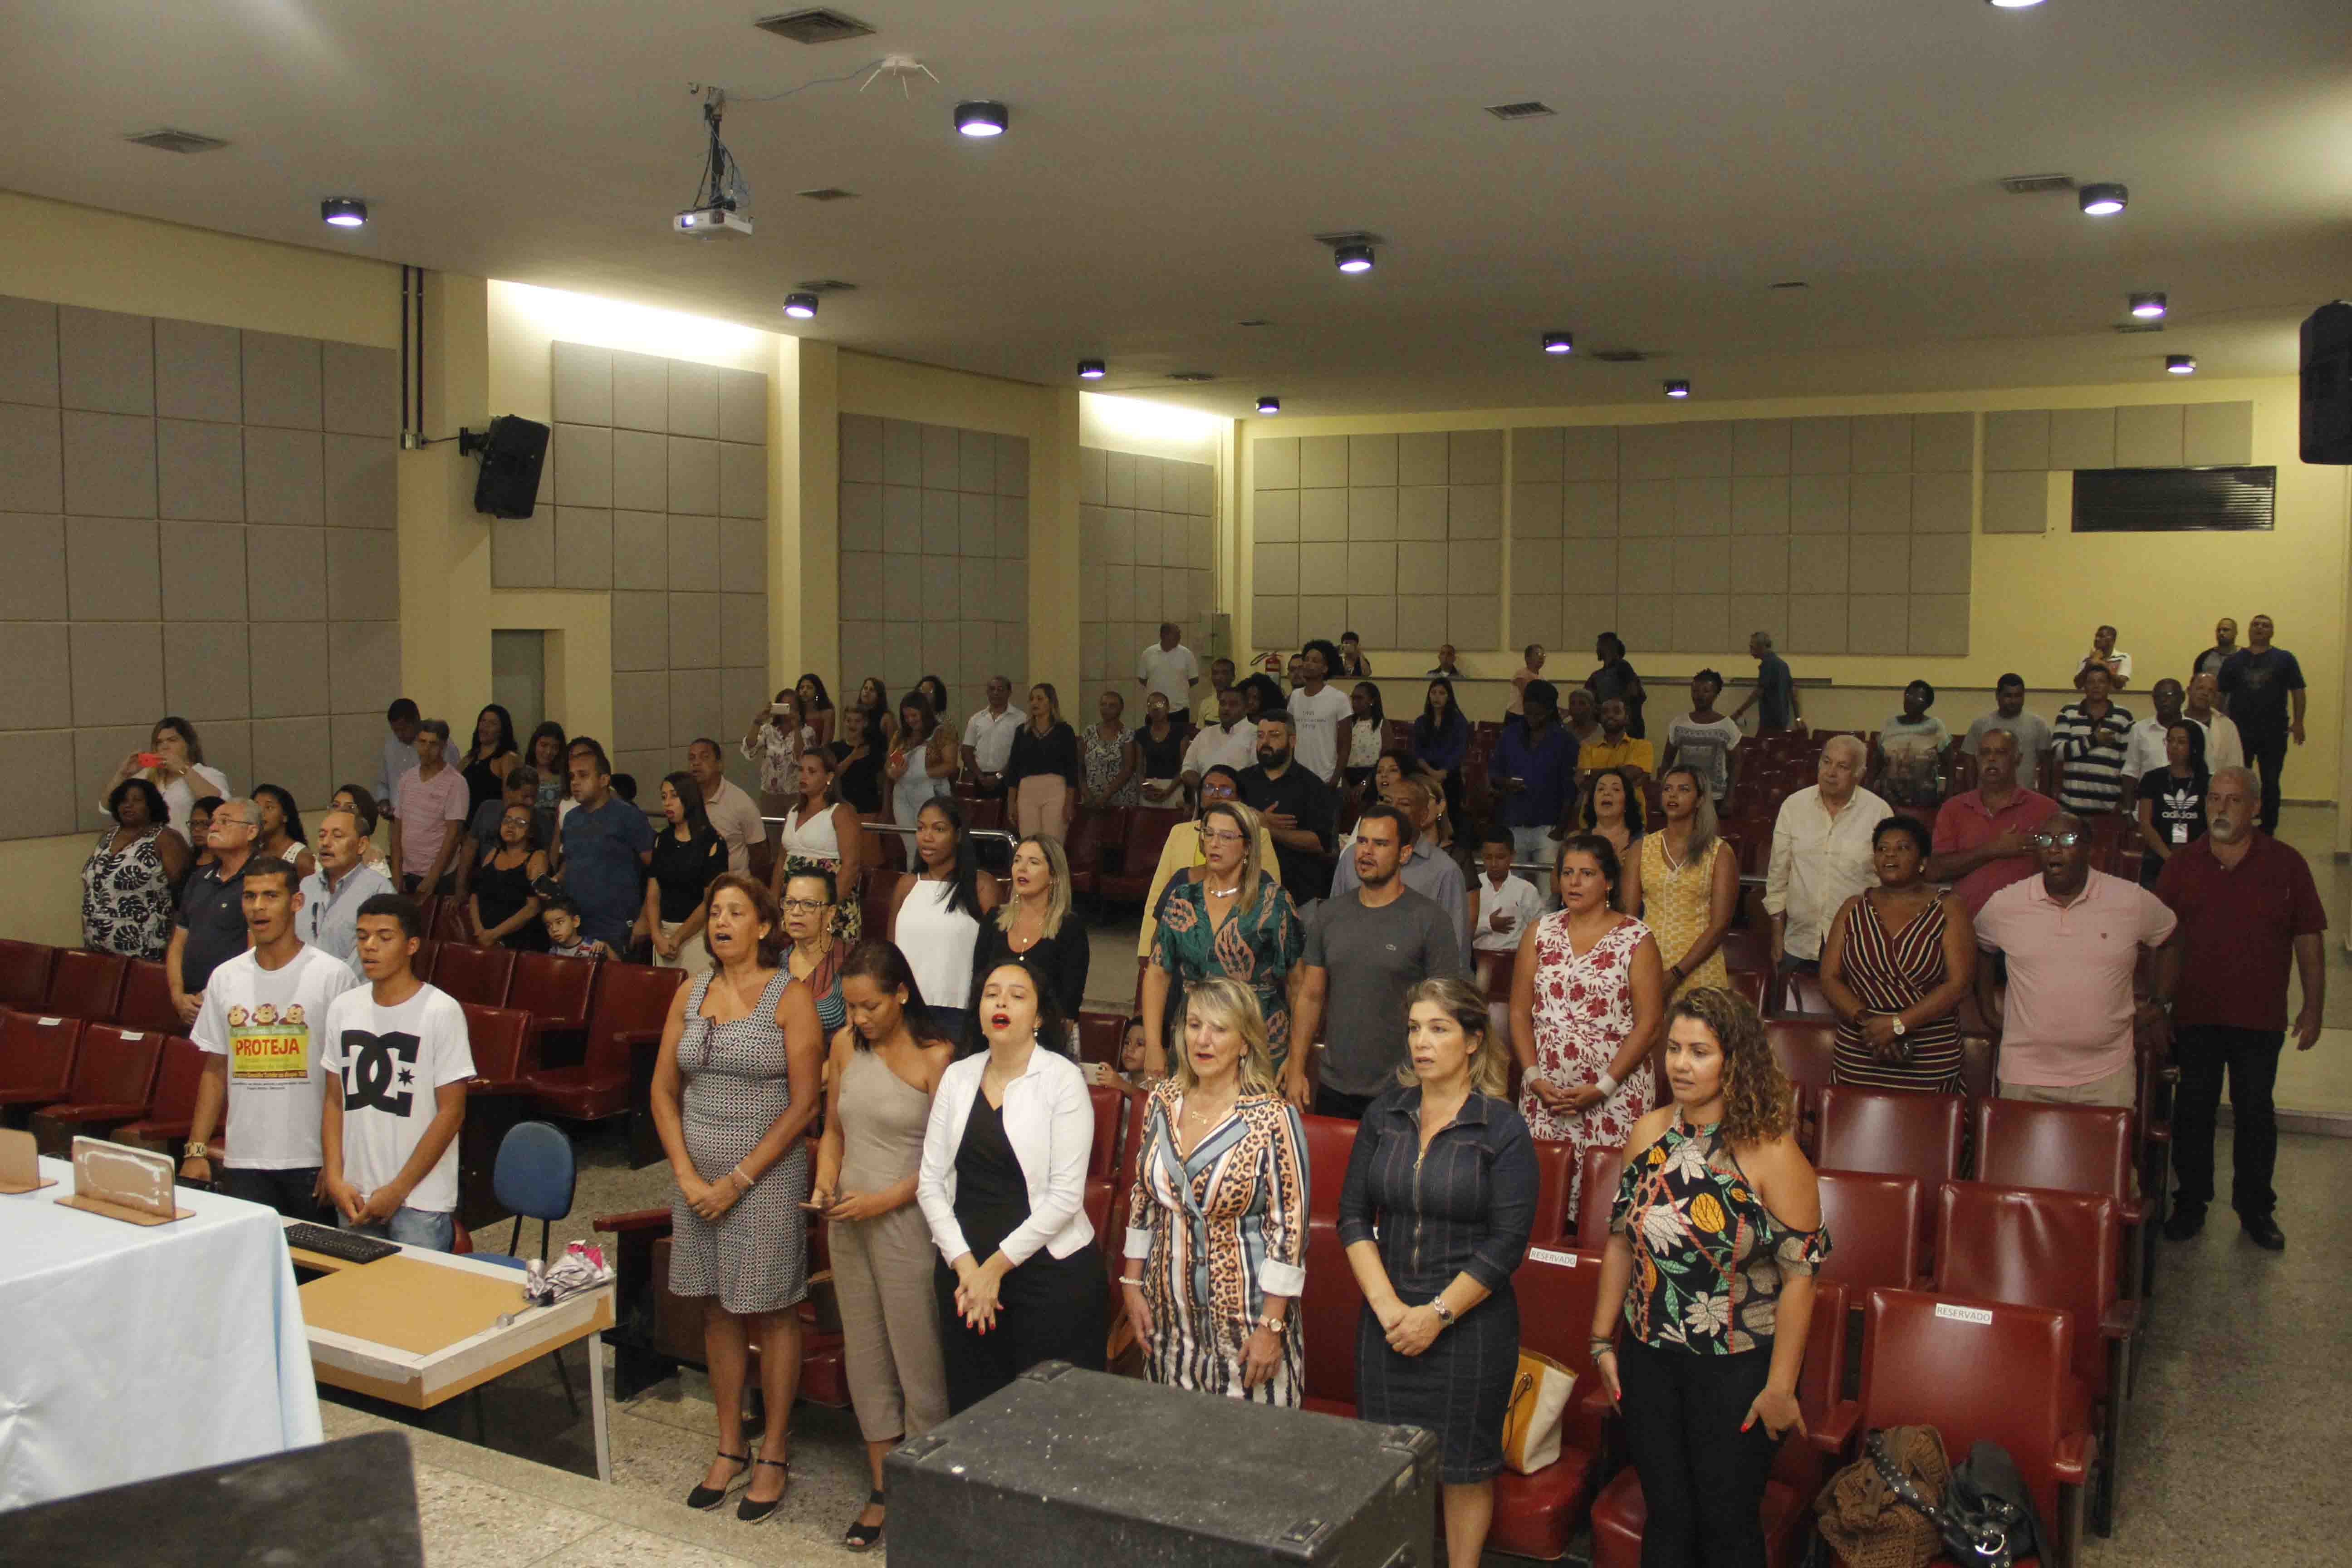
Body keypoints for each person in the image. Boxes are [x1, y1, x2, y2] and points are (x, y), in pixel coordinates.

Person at [1592, 987, 1827, 1568]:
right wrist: (1601, 1341)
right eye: (1674, 1049)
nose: (1681, 1064)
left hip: (1738, 1370)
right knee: (1666, 1520)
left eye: (1700, 1051)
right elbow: (1622, 1238)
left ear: (1735, 1061)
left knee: (1726, 1529)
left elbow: (1803, 1279)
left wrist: (1780, 1388)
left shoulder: (1773, 1153)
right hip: (1649, 1360)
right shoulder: (1647, 1133)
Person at [1338, 976, 1535, 1568]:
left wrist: (1437, 1314)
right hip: (1388, 1321)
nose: (1421, 1042)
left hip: (1471, 1328)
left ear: (1474, 1040)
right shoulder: (1385, 1114)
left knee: (1465, 1471)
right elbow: (1351, 1218)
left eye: (1439, 1028)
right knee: (1389, 1465)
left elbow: (1507, 1247)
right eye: (1415, 1028)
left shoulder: (1502, 1128)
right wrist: (1390, 1309)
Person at [650, 872, 826, 1522]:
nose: (722, 922)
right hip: (697, 1185)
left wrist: (738, 1181)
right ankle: (730, 1446)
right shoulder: (688, 993)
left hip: (764, 1181)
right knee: (717, 1310)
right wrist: (689, 1177)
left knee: (773, 1310)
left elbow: (805, 1103)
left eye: (736, 912)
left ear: (762, 924)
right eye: (715, 911)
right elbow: (663, 1092)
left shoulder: (792, 996)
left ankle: (774, 1449)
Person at [810, 940, 955, 1551]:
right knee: (867, 1357)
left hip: (907, 1225)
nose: (859, 1020)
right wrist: (824, 1185)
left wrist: (879, 1201)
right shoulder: (845, 1047)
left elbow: (941, 1165)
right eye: (851, 1008)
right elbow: (833, 1133)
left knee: (917, 1360)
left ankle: (926, 1491)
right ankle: (880, 1490)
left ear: (901, 994)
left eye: (870, 1007)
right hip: (848, 1222)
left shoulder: (937, 1057)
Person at [917, 962, 1107, 1413]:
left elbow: (1065, 1197)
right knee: (974, 1415)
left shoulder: (1062, 1079)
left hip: (1049, 1278)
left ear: (1040, 1017)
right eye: (991, 994)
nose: (1001, 1002)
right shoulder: (957, 1077)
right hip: (966, 1278)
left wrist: (993, 1271)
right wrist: (967, 1269)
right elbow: (930, 1183)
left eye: (1017, 996)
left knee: (1046, 1422)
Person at [2156, 768, 2326, 1251]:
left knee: (2255, 1114)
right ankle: (2190, 1203)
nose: (2221, 809)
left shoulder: (2287, 864)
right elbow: (2157, 941)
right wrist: (2157, 1006)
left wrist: (2314, 1008)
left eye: (2233, 801)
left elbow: (2308, 940)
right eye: (2214, 799)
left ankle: (2255, 1210)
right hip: (2194, 1015)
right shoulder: (2181, 865)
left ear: (2256, 807)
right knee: (2193, 1112)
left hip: (2259, 1017)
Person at [1124, 976, 1308, 1405]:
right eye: (1193, 1025)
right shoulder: (1162, 1101)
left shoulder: (1272, 1118)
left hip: (1247, 1330)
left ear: (1245, 1043)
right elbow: (1142, 1199)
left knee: (1250, 1463)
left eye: (1219, 1029)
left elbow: (1290, 1232)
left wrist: (1272, 1327)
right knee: (1172, 1455)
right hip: (1168, 1326)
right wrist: (1131, 1284)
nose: (1202, 1040)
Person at [174, 855, 363, 1213]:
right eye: (250, 897)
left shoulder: (332, 977)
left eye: (271, 896)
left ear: (296, 903)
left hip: (311, 1160)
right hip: (245, 1159)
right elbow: (215, 1069)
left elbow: (348, 1078)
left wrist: (337, 1161)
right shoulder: (226, 978)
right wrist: (196, 1149)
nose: (258, 908)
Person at [1973, 813, 2177, 1107]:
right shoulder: (2006, 904)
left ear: (2089, 848)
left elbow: (2170, 938)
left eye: (2066, 840)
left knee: (2106, 1155)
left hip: (2107, 1076)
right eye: (2045, 840)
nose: (2054, 849)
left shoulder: (2129, 899)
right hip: (2025, 1075)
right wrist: (1988, 1011)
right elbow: (1981, 947)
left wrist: (2160, 1004)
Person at [1512, 834, 1664, 1208]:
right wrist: (1534, 1079)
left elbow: (1650, 1025)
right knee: (1542, 1204)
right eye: (1567, 873)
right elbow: (1518, 1012)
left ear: (1609, 881)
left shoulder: (1637, 939)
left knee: (1606, 1208)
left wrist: (1603, 1086)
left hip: (1614, 1098)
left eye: (1586, 874)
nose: (1574, 882)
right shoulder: (1539, 932)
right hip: (1545, 1096)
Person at [1288, 806, 1465, 1118]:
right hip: (1335, 1085)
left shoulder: (1430, 920)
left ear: (1405, 854)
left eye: (1381, 844)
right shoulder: (1329, 914)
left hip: (1406, 1087)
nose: (1367, 852)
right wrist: (1296, 1067)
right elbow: (1310, 996)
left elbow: (1447, 1011)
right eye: (1363, 842)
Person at [320, 895, 472, 1251]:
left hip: (419, 1200)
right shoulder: (343, 1008)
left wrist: (399, 1189)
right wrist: (335, 1177)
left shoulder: (441, 1011)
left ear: (412, 945)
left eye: (384, 937)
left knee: (417, 1304)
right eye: (362, 937)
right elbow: (332, 1100)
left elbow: (452, 1113)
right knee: (361, 1301)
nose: (369, 947)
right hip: (355, 1194)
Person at [1145, 800, 1305, 1080]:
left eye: (1226, 836)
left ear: (1247, 847)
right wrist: (1153, 1046)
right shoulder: (1182, 899)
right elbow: (1157, 974)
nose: (1214, 843)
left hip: (1258, 1043)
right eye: (1209, 834)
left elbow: (1299, 986)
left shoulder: (1274, 903)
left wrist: (1297, 1057)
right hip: (1195, 1039)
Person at [1818, 818, 1977, 1091]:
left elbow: (1958, 985)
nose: (1889, 855)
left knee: (1929, 1133)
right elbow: (1829, 977)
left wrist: (1898, 1025)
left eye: (1902, 848)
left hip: (1929, 1060)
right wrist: (1870, 1025)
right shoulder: (1852, 908)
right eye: (1882, 849)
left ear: (1923, 861)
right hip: (1861, 1052)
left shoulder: (1949, 907)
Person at [1764, 736, 1891, 974]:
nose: (1831, 773)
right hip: (1799, 943)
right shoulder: (1794, 806)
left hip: (1858, 946)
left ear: (1860, 773)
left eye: (1842, 767)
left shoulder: (1879, 813)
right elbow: (1778, 877)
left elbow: (1886, 884)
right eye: (1826, 762)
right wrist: (1777, 936)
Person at [1137, 765, 1285, 958]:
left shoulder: (1258, 836)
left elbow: (1271, 902)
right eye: (1209, 788)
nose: (1216, 794)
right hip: (1182, 946)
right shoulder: (1179, 832)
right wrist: (1145, 950)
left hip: (1240, 947)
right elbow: (1158, 892)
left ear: (1239, 799)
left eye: (1225, 790)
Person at [1621, 764, 1738, 1004]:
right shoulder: (1641, 849)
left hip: (1700, 966)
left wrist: (1677, 973)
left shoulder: (1720, 852)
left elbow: (1719, 925)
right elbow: (1629, 919)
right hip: (1649, 962)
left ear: (1699, 800)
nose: (1673, 796)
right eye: (1667, 789)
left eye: (1683, 790)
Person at [889, 797, 998, 1041]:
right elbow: (891, 955)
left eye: (939, 829)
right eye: (921, 828)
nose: (926, 837)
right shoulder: (906, 885)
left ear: (958, 835)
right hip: (905, 1010)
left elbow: (994, 957)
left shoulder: (982, 886)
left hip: (960, 1012)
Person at [1926, 727, 2056, 917]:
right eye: (1985, 753)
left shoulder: (2046, 809)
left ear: (2018, 759)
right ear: (1977, 760)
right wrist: (1994, 849)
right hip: (1966, 922)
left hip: (2028, 921)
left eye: (2001, 753)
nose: (1992, 759)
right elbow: (1935, 871)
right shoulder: (1953, 809)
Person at [1334, 774, 1469, 954]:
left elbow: (1456, 946)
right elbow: (1333, 927)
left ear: (1423, 816)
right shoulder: (1354, 856)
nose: (1393, 810)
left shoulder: (1445, 871)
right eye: (1388, 802)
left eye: (1404, 804)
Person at [970, 836, 1090, 1029]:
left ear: (1054, 876)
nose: (1022, 868)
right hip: (994, 1032)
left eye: (1033, 863)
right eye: (1017, 860)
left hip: (1047, 1039)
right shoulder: (994, 920)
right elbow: (978, 987)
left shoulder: (1069, 928)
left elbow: (1069, 1004)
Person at [168, 795, 262, 1025]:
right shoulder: (199, 878)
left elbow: (256, 952)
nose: (214, 827)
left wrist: (205, 998)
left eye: (225, 821)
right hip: (189, 1005)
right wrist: (178, 996)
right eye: (213, 821)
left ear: (251, 832)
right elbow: (178, 944)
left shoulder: (262, 878)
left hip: (237, 1005)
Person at [561, 739, 655, 951]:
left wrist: (645, 919)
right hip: (577, 928)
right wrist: (556, 882)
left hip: (618, 928)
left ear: (604, 780)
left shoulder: (628, 815)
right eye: (572, 777)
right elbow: (571, 863)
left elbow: (658, 870)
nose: (575, 782)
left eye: (583, 776)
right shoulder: (570, 819)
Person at [83, 778, 191, 960]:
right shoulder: (107, 836)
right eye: (124, 800)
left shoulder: (166, 839)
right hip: (97, 948)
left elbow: (184, 896)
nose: (128, 805)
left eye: (137, 800)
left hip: (144, 951)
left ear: (152, 805)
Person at [2217, 613, 2306, 834]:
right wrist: (2218, 724)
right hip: (2239, 731)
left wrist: (2299, 722)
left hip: (2274, 732)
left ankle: (2269, 829)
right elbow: (2220, 695)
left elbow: (2298, 691)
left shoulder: (2285, 659)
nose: (2260, 629)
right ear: (2248, 630)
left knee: (2271, 782)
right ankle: (2239, 822)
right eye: (2255, 625)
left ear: (2272, 632)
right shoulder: (2234, 661)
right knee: (2238, 781)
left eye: (2265, 626)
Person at [768, 746, 866, 946]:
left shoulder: (841, 812)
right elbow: (781, 860)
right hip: (794, 906)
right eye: (801, 770)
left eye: (812, 772)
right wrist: (773, 902)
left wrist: (827, 907)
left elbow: (851, 866)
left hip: (830, 905)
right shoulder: (794, 811)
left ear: (829, 777)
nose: (804, 776)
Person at [1237, 709, 1336, 901]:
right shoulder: (1242, 780)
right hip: (1245, 888)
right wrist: (1252, 817)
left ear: (1292, 741)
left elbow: (1319, 843)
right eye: (1261, 736)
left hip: (1295, 892)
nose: (1265, 743)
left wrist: (1266, 828)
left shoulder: (1313, 786)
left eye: (1274, 736)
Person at [644, 772, 728, 975]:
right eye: (664, 797)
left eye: (674, 796)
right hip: (663, 935)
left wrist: (678, 938)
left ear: (689, 798)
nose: (667, 803)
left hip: (697, 936)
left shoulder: (713, 842)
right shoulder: (662, 840)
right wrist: (656, 935)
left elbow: (710, 899)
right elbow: (653, 893)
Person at [296, 801, 393, 972]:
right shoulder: (306, 886)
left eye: (337, 836)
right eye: (321, 836)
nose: (325, 843)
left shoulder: (379, 890)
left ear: (361, 845)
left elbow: (371, 961)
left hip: (353, 992)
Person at [1492, 680, 1576, 877]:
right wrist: (1506, 783)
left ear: (1549, 711)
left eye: (1537, 714)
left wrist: (1560, 829)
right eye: (1528, 713)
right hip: (1515, 823)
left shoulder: (1565, 741)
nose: (1532, 718)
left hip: (1549, 827)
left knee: (1547, 893)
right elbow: (1494, 773)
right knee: (1513, 891)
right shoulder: (1510, 735)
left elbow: (1571, 788)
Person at [104, 716, 230, 841]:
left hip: (188, 850)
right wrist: (122, 775)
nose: (165, 747)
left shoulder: (208, 774)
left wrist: (182, 769)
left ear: (188, 744)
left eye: (172, 740)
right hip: (148, 852)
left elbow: (220, 807)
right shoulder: (146, 776)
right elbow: (107, 808)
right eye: (159, 743)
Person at [389, 719, 470, 895]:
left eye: (433, 744)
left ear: (443, 747)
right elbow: (397, 828)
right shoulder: (406, 779)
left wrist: (433, 878)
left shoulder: (456, 783)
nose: (426, 749)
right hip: (407, 872)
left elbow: (453, 835)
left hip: (440, 876)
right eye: (422, 742)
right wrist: (396, 872)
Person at [2134, 720, 2210, 889]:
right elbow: (2145, 824)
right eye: (2170, 741)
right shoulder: (2153, 779)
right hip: (2158, 857)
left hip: (2196, 858)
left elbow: (2211, 825)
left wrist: (2191, 857)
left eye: (2181, 742)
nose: (2174, 747)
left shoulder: (2206, 782)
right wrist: (2169, 857)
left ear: (2194, 746)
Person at [2052, 664, 2135, 816]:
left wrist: (2125, 803)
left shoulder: (2123, 716)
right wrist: (2093, 740)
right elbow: (2058, 752)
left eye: (2101, 682)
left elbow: (2129, 763)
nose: (2096, 686)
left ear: (2110, 686)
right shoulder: (2068, 712)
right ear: (2084, 685)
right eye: (2091, 682)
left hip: (2110, 808)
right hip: (2071, 806)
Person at [453, 766, 539, 909]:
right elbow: (469, 849)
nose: (530, 802)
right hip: (486, 891)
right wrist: (461, 887)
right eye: (525, 797)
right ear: (510, 791)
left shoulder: (540, 820)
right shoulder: (487, 809)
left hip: (520, 898)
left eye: (534, 797)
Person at [467, 801, 548, 952]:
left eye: (520, 823)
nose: (511, 826)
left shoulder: (537, 857)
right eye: (507, 820)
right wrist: (480, 931)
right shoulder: (493, 854)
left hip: (522, 944)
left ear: (531, 832)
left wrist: (494, 935)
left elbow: (534, 907)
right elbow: (474, 895)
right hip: (485, 939)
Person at [779, 869, 849, 1037]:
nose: (796, 912)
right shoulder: (773, 961)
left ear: (830, 914)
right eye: (790, 903)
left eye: (809, 904)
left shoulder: (852, 961)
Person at [688, 737, 768, 877]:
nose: (696, 763)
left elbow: (759, 855)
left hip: (734, 889)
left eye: (704, 757)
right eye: (692, 758)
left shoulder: (741, 802)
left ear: (720, 765)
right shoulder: (685, 800)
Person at [1662, 670, 1742, 808]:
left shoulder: (1727, 726)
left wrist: (1730, 796)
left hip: (1715, 798)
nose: (1699, 696)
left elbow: (1736, 764)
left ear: (1716, 694)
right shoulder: (1678, 724)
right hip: (1684, 796)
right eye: (1695, 691)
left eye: (1706, 691)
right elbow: (1667, 763)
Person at [1288, 639, 1356, 786]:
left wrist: (1335, 780)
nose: (1308, 664)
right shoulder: (1295, 697)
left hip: (1326, 779)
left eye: (1315, 661)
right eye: (1306, 660)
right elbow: (1291, 737)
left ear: (1325, 668)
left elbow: (1345, 745)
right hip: (1297, 779)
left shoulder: (1340, 698)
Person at [1873, 680, 1950, 808]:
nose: (1911, 700)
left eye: (1918, 697)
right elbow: (1876, 763)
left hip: (1924, 801)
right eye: (1908, 695)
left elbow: (1950, 767)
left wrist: (1947, 801)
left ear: (1927, 705)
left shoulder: (1935, 726)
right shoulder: (1890, 725)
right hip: (1889, 800)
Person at [888, 691, 958, 831]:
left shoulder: (943, 732)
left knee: (932, 839)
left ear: (925, 712)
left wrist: (922, 774)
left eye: (914, 715)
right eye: (906, 717)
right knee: (910, 844)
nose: (910, 720)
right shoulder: (900, 736)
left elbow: (950, 765)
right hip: (902, 797)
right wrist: (894, 773)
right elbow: (888, 766)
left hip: (932, 794)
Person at [1469, 828, 1543, 960]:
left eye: (1500, 857)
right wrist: (1488, 924)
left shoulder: (1526, 890)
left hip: (1515, 960)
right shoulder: (1472, 887)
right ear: (1481, 856)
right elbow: (1460, 930)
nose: (1494, 864)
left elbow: (1541, 932)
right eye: (1488, 857)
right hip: (1476, 959)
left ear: (1512, 855)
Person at [743, 689, 813, 820]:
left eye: (792, 706)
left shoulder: (807, 732)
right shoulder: (768, 730)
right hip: (770, 794)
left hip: (797, 794)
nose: (788, 710)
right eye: (784, 706)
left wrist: (797, 727)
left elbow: (802, 758)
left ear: (799, 709)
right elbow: (750, 748)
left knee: (796, 835)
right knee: (772, 833)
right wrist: (757, 722)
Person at [1178, 685, 1256, 799]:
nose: (1226, 708)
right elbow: (1187, 769)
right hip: (1205, 807)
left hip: (1239, 806)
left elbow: (1258, 776)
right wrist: (1208, 789)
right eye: (1223, 704)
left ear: (1246, 708)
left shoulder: (1256, 734)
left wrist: (1226, 792)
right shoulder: (1205, 734)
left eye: (1233, 704)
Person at [1960, 673, 2053, 765]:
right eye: (2008, 696)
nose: (2014, 701)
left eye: (2018, 696)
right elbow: (1969, 761)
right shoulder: (1980, 725)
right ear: (1997, 695)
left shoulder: (2038, 725)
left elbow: (2047, 764)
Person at [1412, 677, 1471, 819]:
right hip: (1426, 773)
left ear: (1449, 697)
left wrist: (1443, 772)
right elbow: (1417, 751)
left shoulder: (1459, 722)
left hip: (1449, 774)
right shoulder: (1421, 722)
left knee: (1451, 814)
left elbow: (1459, 750)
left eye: (1442, 693)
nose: (1437, 697)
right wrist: (1430, 772)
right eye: (1433, 693)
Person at [960, 674, 1022, 798]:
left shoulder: (1020, 719)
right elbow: (967, 751)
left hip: (1009, 779)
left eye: (1000, 690)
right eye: (992, 689)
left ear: (1009, 693)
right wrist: (980, 776)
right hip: (980, 779)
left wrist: (999, 776)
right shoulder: (976, 719)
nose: (996, 693)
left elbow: (1020, 754)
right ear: (987, 692)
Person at [456, 704, 520, 822]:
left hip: (492, 828)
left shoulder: (507, 759)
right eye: (483, 721)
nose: (485, 726)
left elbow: (511, 801)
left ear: (502, 731)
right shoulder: (468, 759)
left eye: (492, 723)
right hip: (465, 829)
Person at [1729, 630, 1800, 733]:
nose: (1750, 651)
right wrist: (1798, 718)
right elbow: (1794, 693)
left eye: (1752, 647)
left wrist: (1738, 713)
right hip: (1783, 720)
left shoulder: (1768, 665)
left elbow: (1759, 692)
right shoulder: (1783, 665)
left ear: (1762, 646)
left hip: (1770, 721)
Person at [1081, 688, 1141, 810]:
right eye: (1103, 705)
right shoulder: (1089, 732)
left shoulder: (1127, 734)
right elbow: (1079, 766)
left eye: (1112, 706)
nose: (1106, 708)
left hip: (1120, 799)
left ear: (1121, 709)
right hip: (1092, 799)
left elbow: (1128, 769)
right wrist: (1086, 794)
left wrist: (1105, 796)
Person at [1129, 691, 1189, 808]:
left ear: (1168, 708)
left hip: (1174, 785)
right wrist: (1146, 788)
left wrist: (1168, 791)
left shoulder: (1180, 732)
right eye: (1151, 705)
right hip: (1149, 785)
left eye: (1160, 705)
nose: (1156, 709)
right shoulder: (1141, 734)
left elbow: (1185, 767)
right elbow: (1139, 769)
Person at [1574, 765, 1646, 863]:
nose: (1607, 793)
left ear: (1627, 803)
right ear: (1593, 801)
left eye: (1616, 789)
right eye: (1601, 789)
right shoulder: (1575, 841)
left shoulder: (1645, 843)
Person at [1586, 631, 1648, 740]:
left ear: (1607, 646)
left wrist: (1609, 708)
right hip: (1610, 729)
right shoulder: (1597, 676)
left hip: (1627, 730)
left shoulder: (1623, 667)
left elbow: (1634, 694)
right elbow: (1586, 698)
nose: (1596, 650)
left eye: (1598, 646)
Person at [828, 705, 887, 821]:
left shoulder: (874, 749)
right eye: (849, 721)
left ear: (865, 723)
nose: (852, 725)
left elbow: (883, 781)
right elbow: (832, 777)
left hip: (869, 808)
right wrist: (852, 757)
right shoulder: (835, 748)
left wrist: (885, 809)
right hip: (843, 808)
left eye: (857, 721)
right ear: (844, 722)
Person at [1578, 698, 1654, 784]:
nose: (1610, 715)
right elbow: (1582, 780)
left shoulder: (1642, 746)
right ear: (1600, 718)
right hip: (1596, 798)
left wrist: (1591, 773)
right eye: (1605, 712)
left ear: (1627, 718)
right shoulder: (1587, 747)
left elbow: (1631, 773)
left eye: (1617, 712)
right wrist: (1621, 772)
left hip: (1631, 798)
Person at [252, 784, 318, 883]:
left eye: (269, 807)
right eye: (256, 807)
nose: (261, 813)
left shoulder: (301, 859)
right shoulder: (253, 853)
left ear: (285, 816)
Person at [2182, 671, 2245, 773]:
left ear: (2216, 697)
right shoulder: (2176, 721)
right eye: (2200, 688)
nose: (2205, 694)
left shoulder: (2227, 726)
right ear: (2189, 691)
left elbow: (2236, 767)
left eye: (2211, 691)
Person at [1336, 681, 1387, 802]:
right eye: (1353, 698)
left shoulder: (1382, 724)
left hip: (1372, 776)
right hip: (1347, 774)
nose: (1354, 702)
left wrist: (1365, 783)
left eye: (1360, 699)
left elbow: (1386, 758)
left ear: (1372, 701)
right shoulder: (1347, 724)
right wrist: (1343, 781)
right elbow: (1338, 754)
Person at [1136, 621, 1201, 711]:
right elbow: (1142, 679)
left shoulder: (1187, 654)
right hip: (1155, 709)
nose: (1179, 637)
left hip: (1180, 709)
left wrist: (1178, 687)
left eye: (1179, 634)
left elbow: (1194, 679)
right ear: (1163, 635)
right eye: (1176, 634)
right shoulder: (1148, 653)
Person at [332, 785, 395, 878]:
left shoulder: (372, 859)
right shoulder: (323, 853)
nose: (340, 811)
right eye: (335, 806)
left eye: (350, 808)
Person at [374, 698, 422, 818]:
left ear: (417, 721)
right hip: (395, 821)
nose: (399, 735)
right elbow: (382, 783)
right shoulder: (390, 746)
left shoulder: (439, 746)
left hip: (424, 822)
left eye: (404, 729)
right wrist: (384, 802)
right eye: (395, 730)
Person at [524, 722, 570, 847]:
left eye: (555, 747)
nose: (549, 752)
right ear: (535, 745)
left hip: (559, 838)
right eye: (544, 745)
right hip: (529, 836)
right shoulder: (523, 774)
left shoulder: (566, 776)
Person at [539, 896, 613, 960]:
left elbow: (618, 969)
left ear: (576, 921)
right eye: (549, 926)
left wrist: (606, 948)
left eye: (560, 922)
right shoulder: (553, 952)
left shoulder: (594, 946)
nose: (554, 929)